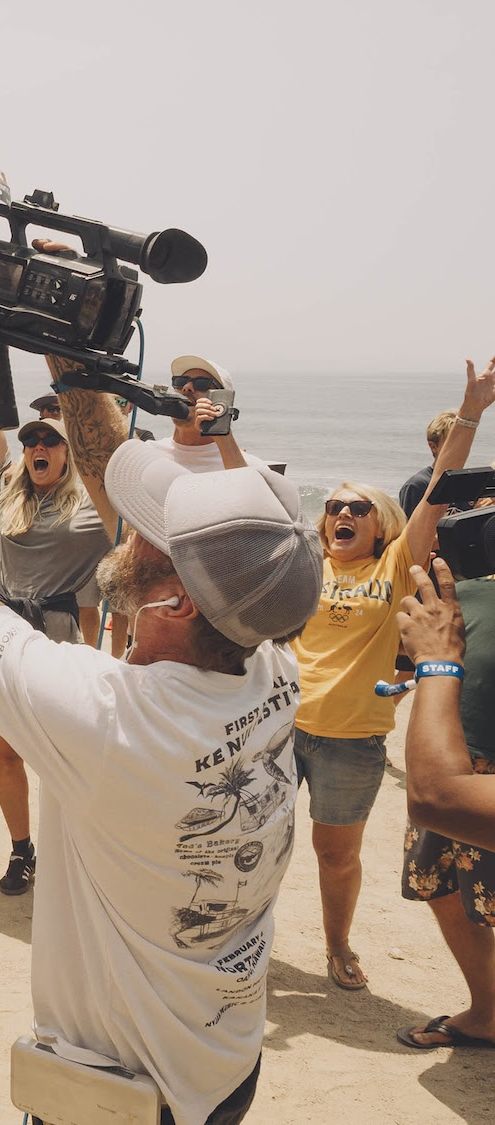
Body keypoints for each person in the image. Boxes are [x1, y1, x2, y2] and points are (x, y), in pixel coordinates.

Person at [0, 350, 323, 1125]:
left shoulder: (110, 719)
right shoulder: (268, 663)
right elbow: (118, 487)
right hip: (223, 1064)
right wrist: (68, 354)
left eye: (152, 533)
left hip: (123, 1100)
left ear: (174, 603)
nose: (125, 527)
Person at [290, 357, 493, 991]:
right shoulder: (305, 563)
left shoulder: (395, 564)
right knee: (254, 843)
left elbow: (438, 491)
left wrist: (471, 412)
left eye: (357, 507)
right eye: (333, 506)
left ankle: (337, 945)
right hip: (277, 728)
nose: (341, 514)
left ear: (380, 523)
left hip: (350, 741)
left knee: (335, 855)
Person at [0, 341, 111, 895]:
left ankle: (72, 854)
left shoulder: (92, 510)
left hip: (58, 642)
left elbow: (114, 466)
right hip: (3, 631)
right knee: (5, 753)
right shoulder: (7, 495)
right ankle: (21, 850)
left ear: (69, 451)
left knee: (62, 758)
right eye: (31, 441)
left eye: (50, 440)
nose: (37, 447)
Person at [395, 556, 495, 1050]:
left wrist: (438, 664)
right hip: (455, 757)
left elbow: (434, 796)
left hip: (458, 781)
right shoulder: (463, 600)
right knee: (441, 887)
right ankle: (488, 1013)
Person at [154, 356, 268, 473]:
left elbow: (244, 484)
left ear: (223, 399)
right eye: (180, 381)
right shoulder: (149, 454)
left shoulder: (249, 466)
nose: (186, 387)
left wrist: (223, 436)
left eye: (202, 384)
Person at [398, 410, 460, 516]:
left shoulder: (467, 483)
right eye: (451, 443)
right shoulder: (417, 486)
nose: (459, 448)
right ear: (433, 447)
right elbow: (409, 525)